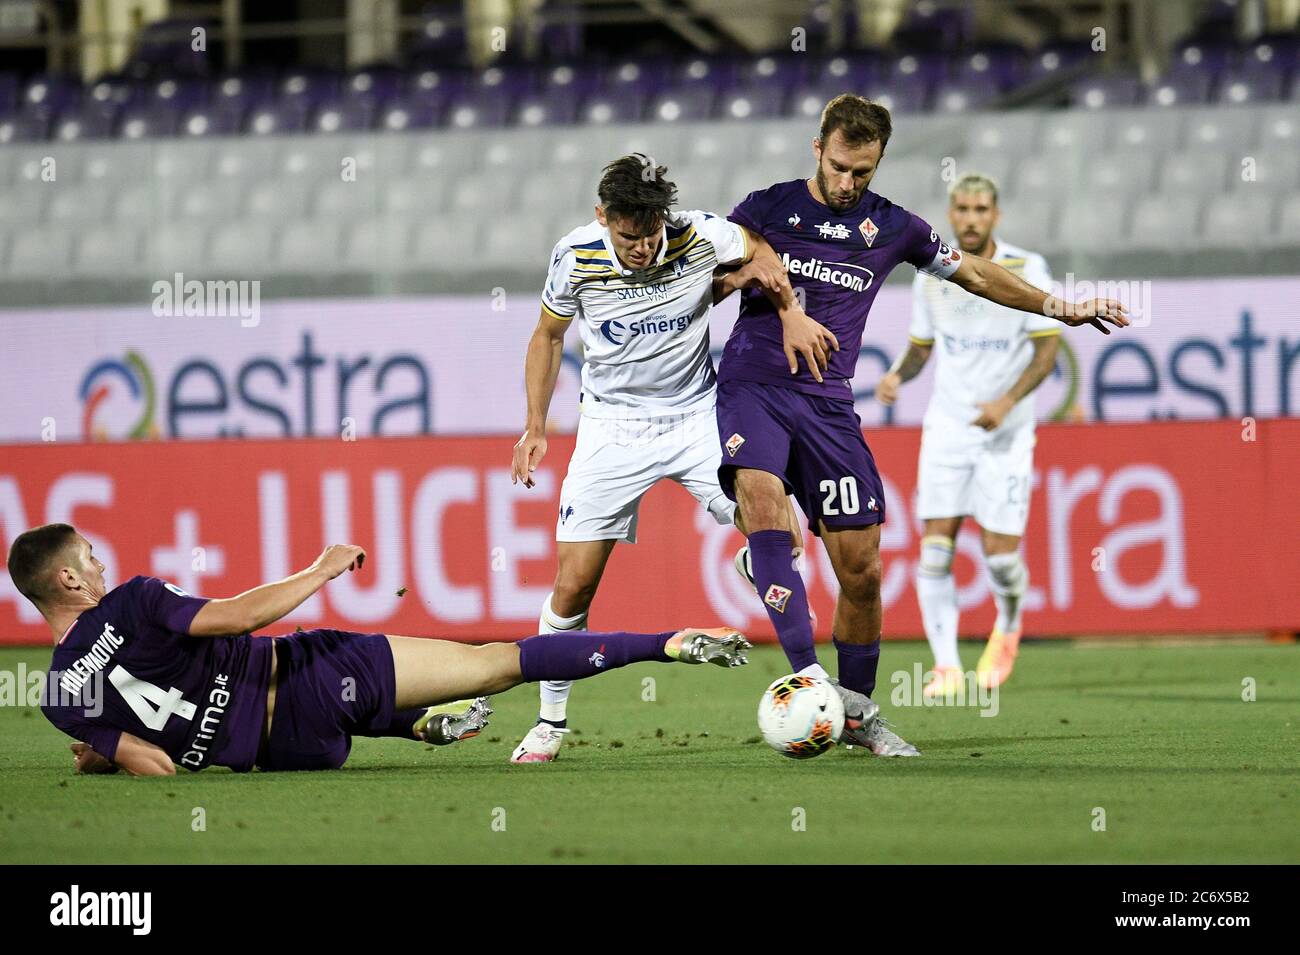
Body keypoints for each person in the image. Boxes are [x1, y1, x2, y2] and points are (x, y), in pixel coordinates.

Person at [712, 94, 1127, 756]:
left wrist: (1061, 306)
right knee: (762, 498)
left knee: (864, 567)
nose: (849, 184)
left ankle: (857, 715)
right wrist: (766, 293)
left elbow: (978, 274)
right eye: (842, 167)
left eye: (864, 173)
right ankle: (811, 677)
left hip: (827, 403)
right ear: (818, 150)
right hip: (752, 386)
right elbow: (716, 271)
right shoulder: (766, 207)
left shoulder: (894, 226)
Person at [507, 153, 829, 763]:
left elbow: (760, 252)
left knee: (778, 524)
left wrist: (784, 309)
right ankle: (550, 723)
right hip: (611, 426)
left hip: (696, 413)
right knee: (573, 587)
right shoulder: (574, 256)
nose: (642, 247)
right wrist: (534, 426)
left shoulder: (697, 232)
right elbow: (548, 336)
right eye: (629, 236)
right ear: (603, 218)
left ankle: (761, 572)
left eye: (651, 233)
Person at [8, 523, 750, 776]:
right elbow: (232, 617)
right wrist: (319, 569)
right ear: (70, 576)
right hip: (307, 672)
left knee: (376, 703)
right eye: (89, 558)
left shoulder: (59, 697)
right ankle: (669, 640)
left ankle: (410, 722)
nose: (100, 564)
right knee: (503, 659)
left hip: (292, 753)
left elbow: (155, 761)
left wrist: (102, 749)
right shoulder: (131, 599)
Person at [876, 172, 1059, 694]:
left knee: (1001, 559)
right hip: (948, 428)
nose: (971, 218)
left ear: (995, 215)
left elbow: (1048, 352)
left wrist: (1006, 402)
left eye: (981, 209)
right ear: (952, 214)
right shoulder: (932, 275)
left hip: (1006, 432)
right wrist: (897, 375)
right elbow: (922, 348)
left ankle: (1009, 621)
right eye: (963, 209)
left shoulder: (1027, 268)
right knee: (935, 550)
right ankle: (946, 665)